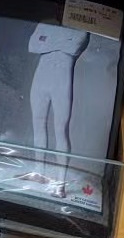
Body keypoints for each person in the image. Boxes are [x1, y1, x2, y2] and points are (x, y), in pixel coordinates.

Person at [26, 21, 91, 196]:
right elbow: (32, 46)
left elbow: (73, 48)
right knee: (37, 125)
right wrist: (62, 41)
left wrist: (48, 41)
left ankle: (60, 184)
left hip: (61, 81)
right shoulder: (45, 24)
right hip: (41, 79)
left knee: (60, 130)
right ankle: (39, 171)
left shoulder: (81, 29)